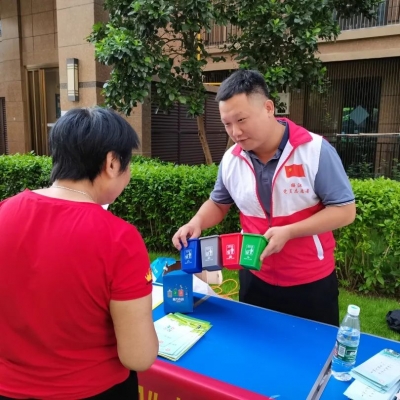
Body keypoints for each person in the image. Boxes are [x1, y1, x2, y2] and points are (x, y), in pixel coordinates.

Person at [172, 69, 356, 327]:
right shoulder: (232, 159)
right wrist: (197, 222)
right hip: (254, 274)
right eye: (227, 124)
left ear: (268, 108)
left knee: (310, 350)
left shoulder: (314, 150)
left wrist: (289, 231)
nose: (235, 132)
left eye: (241, 120)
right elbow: (218, 203)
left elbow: (345, 211)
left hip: (310, 281)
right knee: (254, 345)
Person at [0, 108, 158, 399]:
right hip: (92, 390)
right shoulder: (119, 238)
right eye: (128, 164)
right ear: (112, 162)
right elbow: (138, 356)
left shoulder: (4, 211)